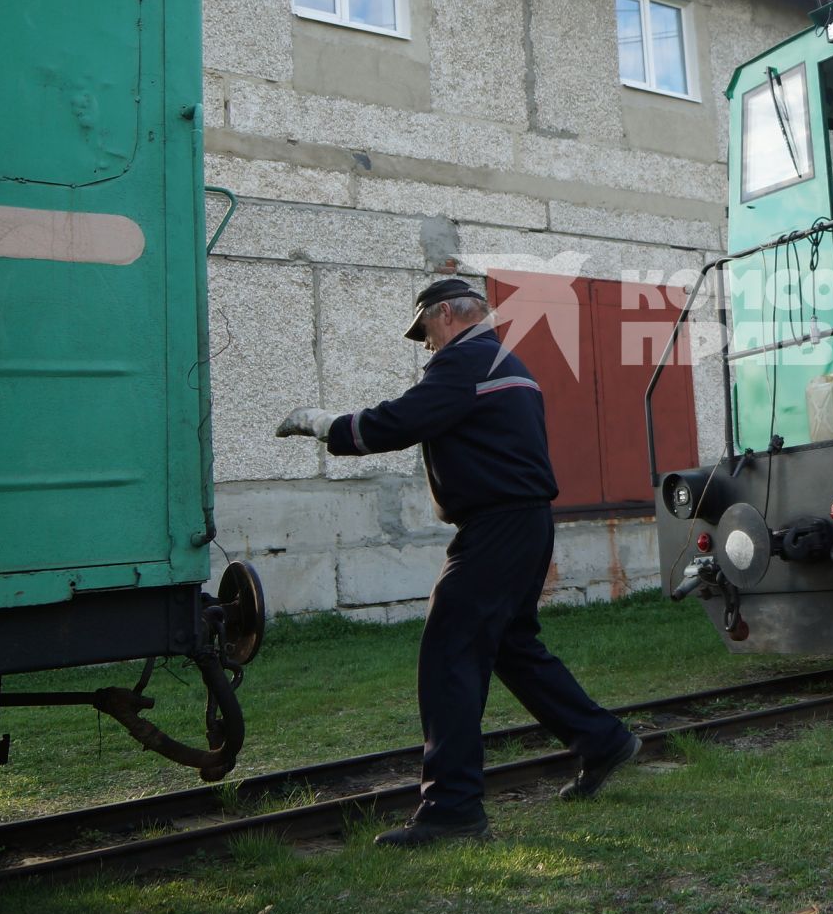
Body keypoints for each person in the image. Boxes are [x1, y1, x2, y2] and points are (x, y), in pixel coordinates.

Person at [274, 277, 641, 847]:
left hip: (496, 527)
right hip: (523, 522)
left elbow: (395, 422)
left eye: (425, 332)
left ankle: (452, 810)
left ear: (446, 313)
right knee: (512, 645)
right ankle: (602, 740)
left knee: (449, 652)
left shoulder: (466, 359)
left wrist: (322, 423)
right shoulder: (504, 359)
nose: (425, 345)